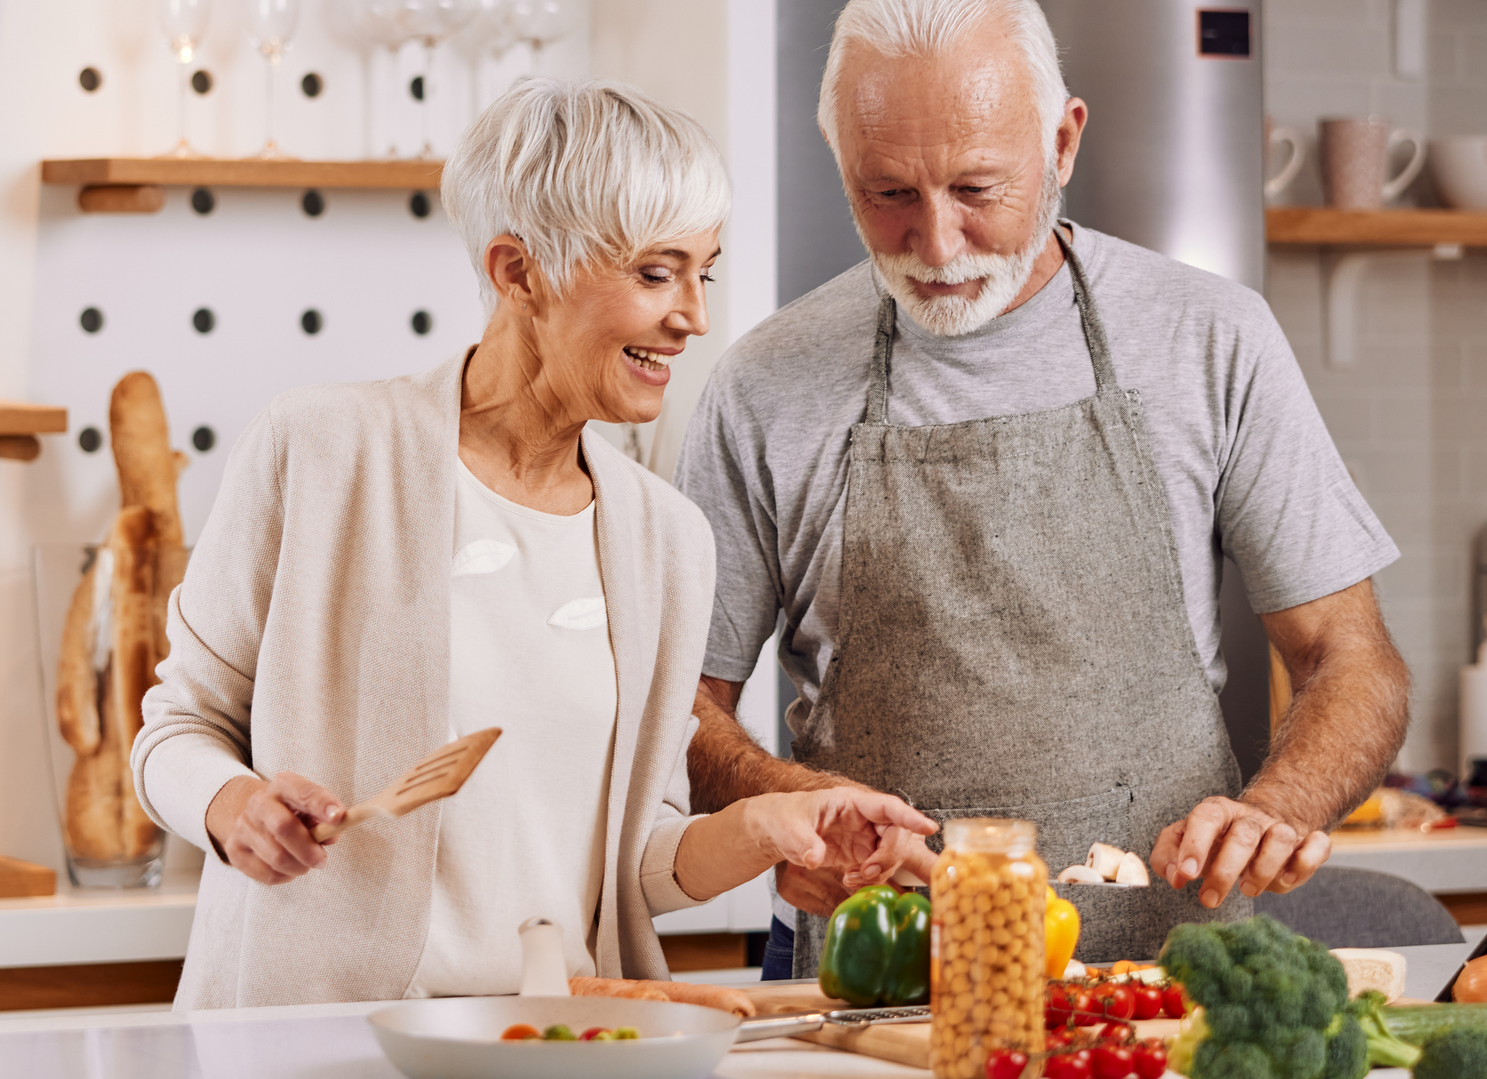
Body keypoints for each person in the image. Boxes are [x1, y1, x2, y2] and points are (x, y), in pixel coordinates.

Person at [133, 78, 938, 1010]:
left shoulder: (663, 537)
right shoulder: (320, 450)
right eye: (653, 272)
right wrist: (232, 808)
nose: (694, 316)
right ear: (518, 272)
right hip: (318, 1054)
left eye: (702, 272)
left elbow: (638, 863)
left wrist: (774, 825)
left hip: (554, 1057)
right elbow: (177, 728)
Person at [674, 0, 1413, 973]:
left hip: (1170, 992)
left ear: (1063, 142)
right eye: (888, 192)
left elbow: (1353, 659)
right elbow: (677, 706)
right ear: (837, 152)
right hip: (885, 991)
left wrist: (1278, 808)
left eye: (977, 187)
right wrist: (781, 809)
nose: (936, 245)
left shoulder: (1212, 339)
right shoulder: (761, 386)